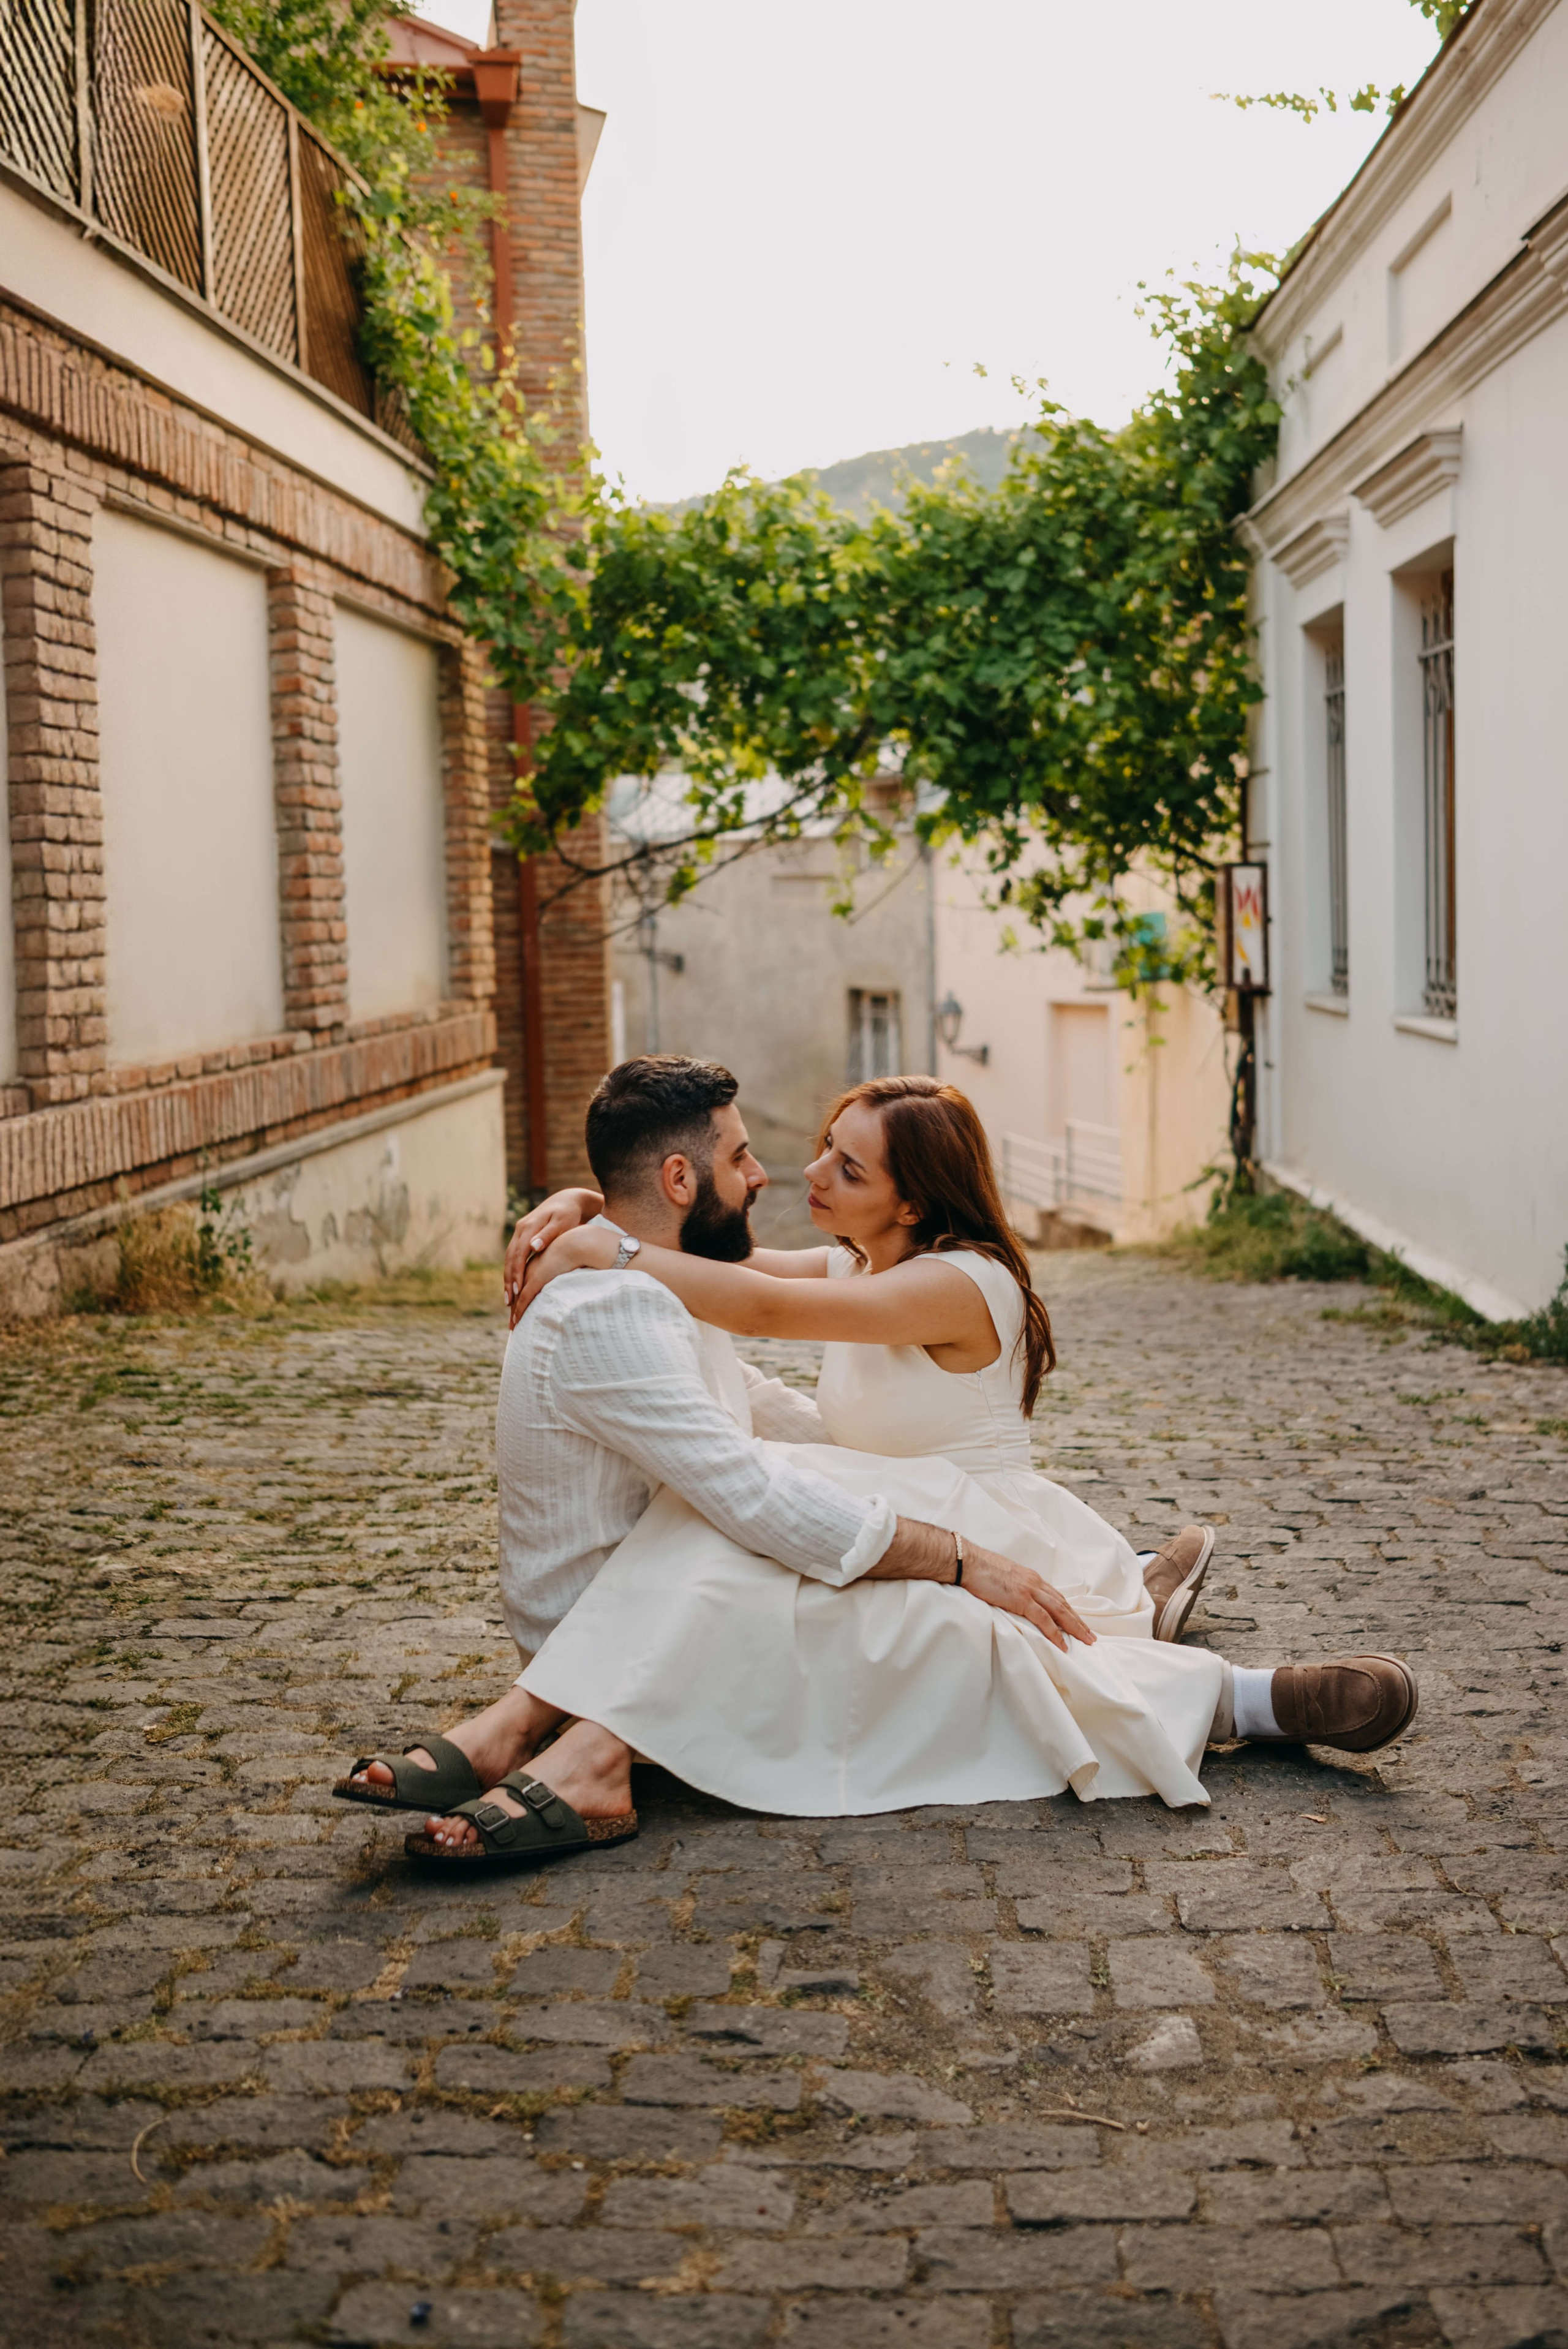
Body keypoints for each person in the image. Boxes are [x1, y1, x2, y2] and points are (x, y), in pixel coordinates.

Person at [334, 1060, 1417, 1869]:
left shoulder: (953, 1282)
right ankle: (1148, 1603)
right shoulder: (864, 1249)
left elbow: (755, 1300)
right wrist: (588, 1204)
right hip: (892, 1495)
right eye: (815, 1146)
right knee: (740, 1501)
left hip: (963, 1508)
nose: (802, 1174)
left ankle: (1235, 1690)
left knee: (738, 1508)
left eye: (845, 1167)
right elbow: (723, 1259)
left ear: (910, 1200)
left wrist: (601, 1244)